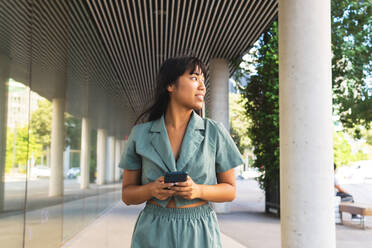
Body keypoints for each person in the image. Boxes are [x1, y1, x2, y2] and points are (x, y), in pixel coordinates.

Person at [119, 56, 243, 248]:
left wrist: (198, 190)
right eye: (194, 78)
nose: (202, 86)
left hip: (199, 230)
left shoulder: (214, 132)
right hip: (153, 230)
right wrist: (151, 189)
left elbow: (230, 190)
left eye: (203, 80)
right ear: (171, 85)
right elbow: (127, 195)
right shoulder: (140, 134)